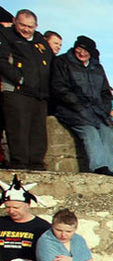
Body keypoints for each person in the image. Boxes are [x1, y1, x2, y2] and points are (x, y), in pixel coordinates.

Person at [50, 36, 113, 177]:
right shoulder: (62, 62)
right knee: (90, 132)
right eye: (80, 49)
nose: (82, 53)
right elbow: (59, 88)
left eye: (86, 51)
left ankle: (112, 169)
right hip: (71, 109)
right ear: (75, 48)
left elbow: (105, 92)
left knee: (107, 132)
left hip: (96, 111)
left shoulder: (97, 67)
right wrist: (78, 106)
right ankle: (99, 167)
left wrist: (104, 108)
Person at [0, 9, 54, 170]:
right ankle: (20, 163)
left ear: (36, 26)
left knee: (38, 130)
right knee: (18, 127)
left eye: (30, 27)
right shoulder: (6, 35)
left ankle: (36, 163)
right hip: (16, 91)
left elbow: (50, 63)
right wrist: (19, 78)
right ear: (15, 21)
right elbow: (1, 61)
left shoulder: (40, 41)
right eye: (22, 25)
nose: (25, 29)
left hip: (40, 93)